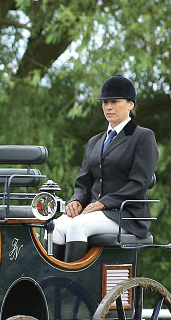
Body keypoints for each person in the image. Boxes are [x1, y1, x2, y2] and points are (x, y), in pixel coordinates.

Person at [52, 74, 158, 262]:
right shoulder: (95, 141)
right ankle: (53, 283)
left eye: (115, 102)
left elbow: (139, 183)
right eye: (105, 102)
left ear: (130, 104)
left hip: (126, 215)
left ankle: (72, 286)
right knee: (57, 225)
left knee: (77, 226)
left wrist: (105, 202)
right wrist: (76, 200)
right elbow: (83, 182)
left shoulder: (142, 137)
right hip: (93, 212)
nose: (108, 107)